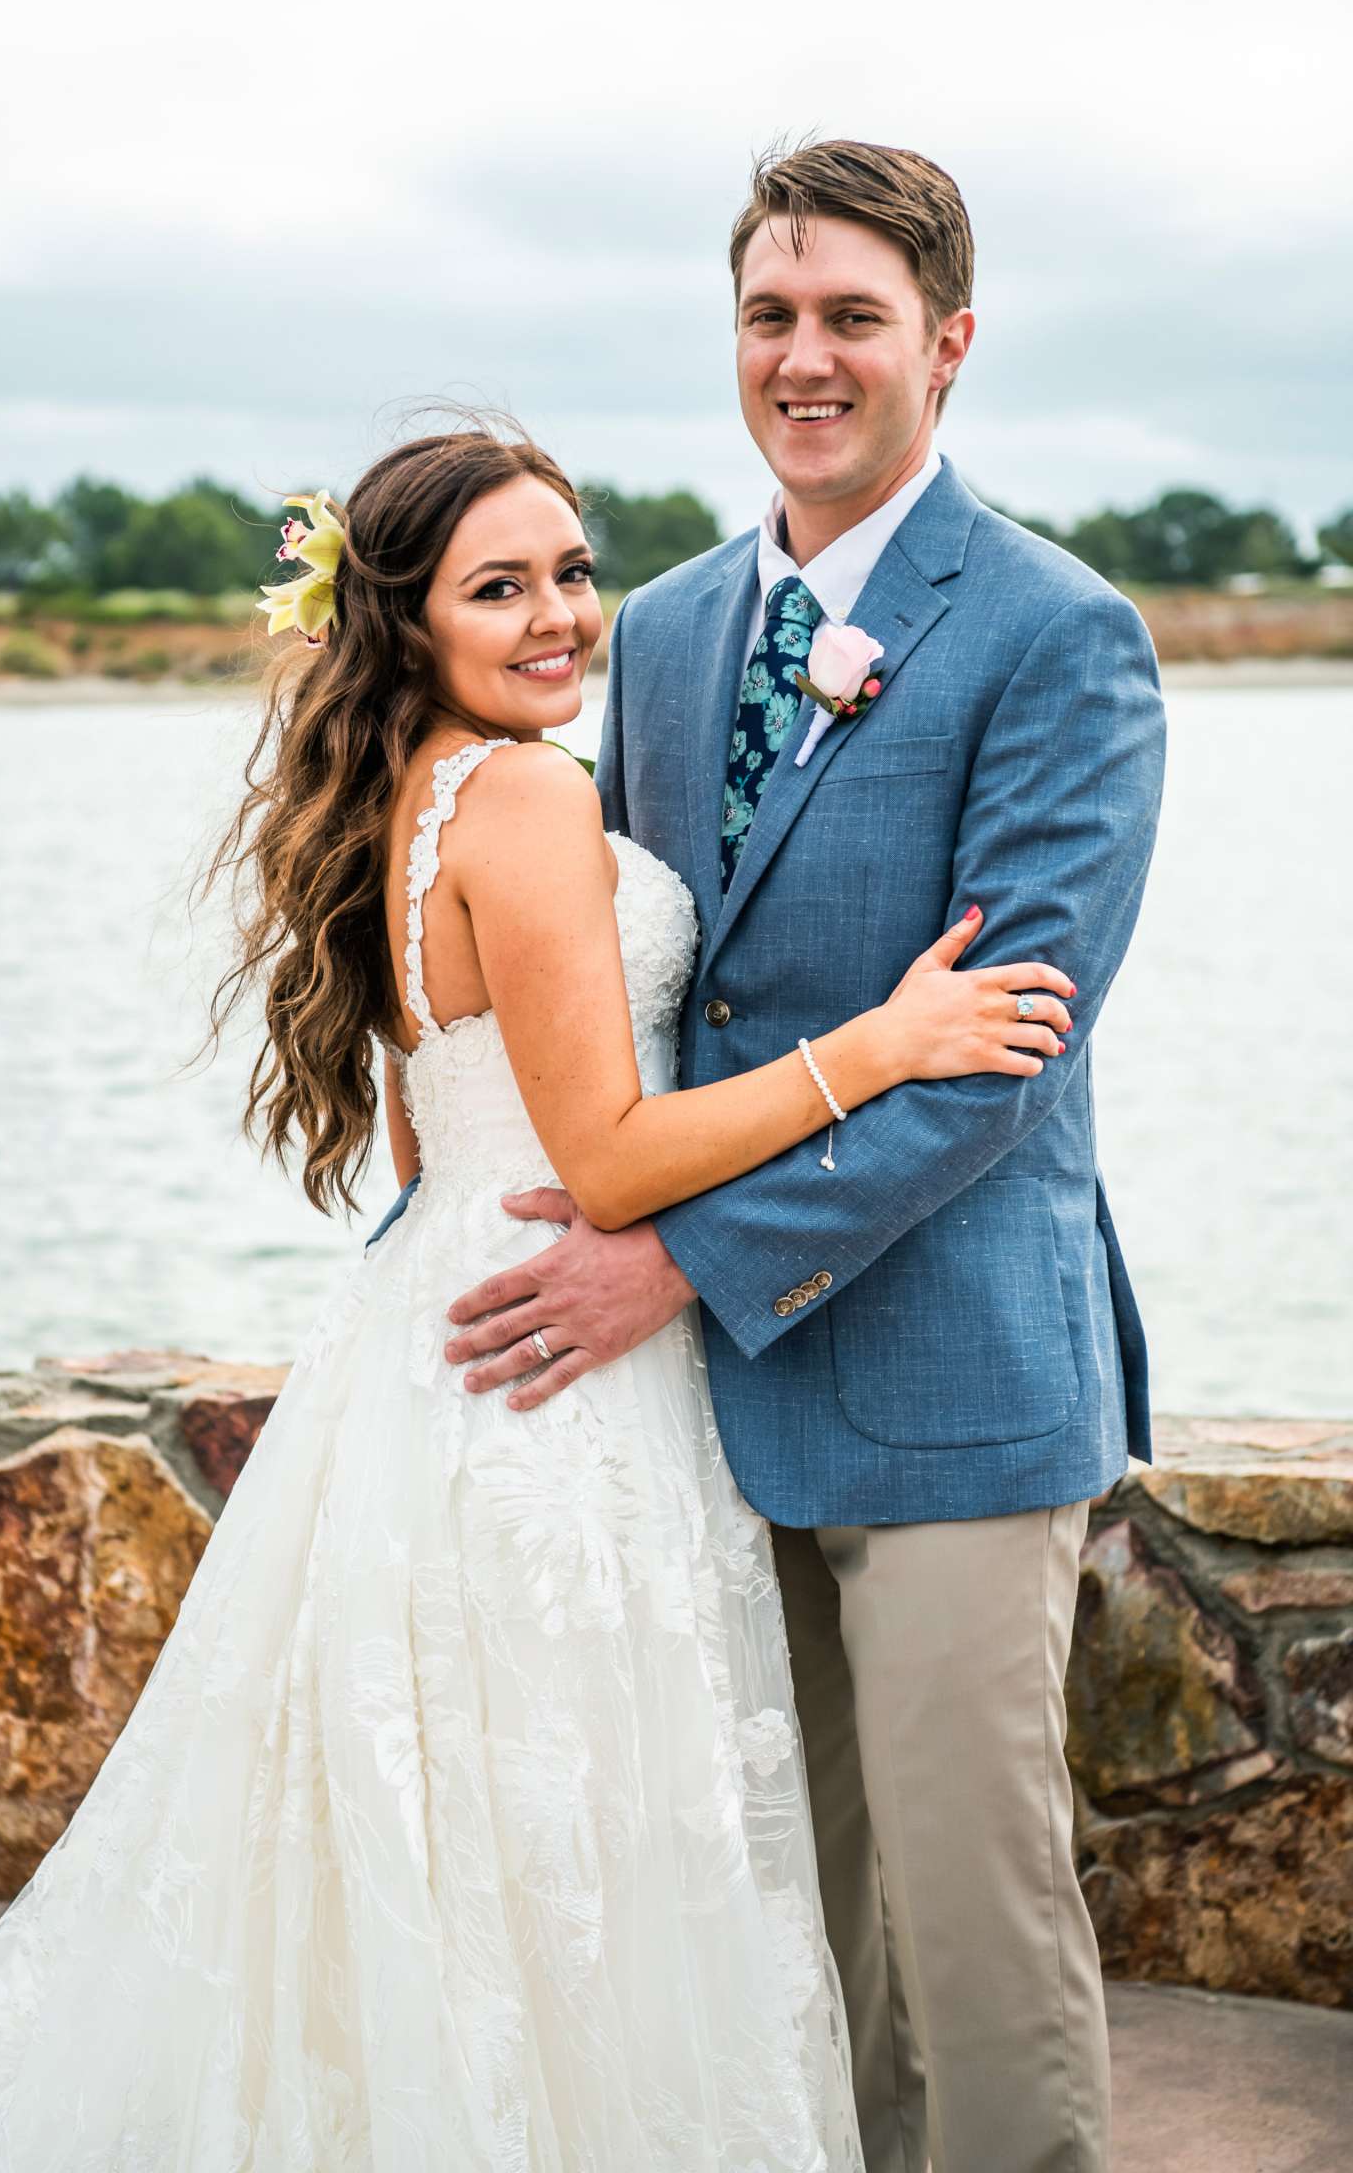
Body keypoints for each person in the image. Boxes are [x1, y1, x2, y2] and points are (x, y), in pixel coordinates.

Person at [0, 418, 1079, 2173]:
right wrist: (878, 1048)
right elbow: (621, 1153)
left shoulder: (406, 789)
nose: (562, 614)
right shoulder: (526, 795)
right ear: (403, 619)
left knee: (458, 1849)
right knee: (584, 1856)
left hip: (446, 1338)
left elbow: (431, 1139)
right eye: (499, 587)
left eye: (572, 570)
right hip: (569, 1375)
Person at [434, 145, 1167, 2173]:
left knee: (971, 1927)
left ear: (944, 341)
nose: (803, 357)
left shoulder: (1056, 634)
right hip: (705, 1419)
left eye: (850, 316)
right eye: (769, 315)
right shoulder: (653, 637)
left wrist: (668, 1259)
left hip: (952, 1388)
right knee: (785, 1925)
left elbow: (991, 1066)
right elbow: (627, 982)